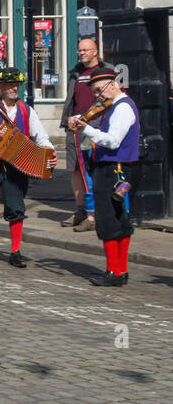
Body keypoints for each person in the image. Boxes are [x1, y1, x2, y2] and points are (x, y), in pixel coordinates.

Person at [0, 67, 56, 267]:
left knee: (16, 207)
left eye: (17, 84)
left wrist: (50, 152)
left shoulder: (27, 110)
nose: (14, 88)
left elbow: (42, 137)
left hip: (16, 167)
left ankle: (15, 252)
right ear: (1, 86)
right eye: (10, 84)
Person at [68, 65, 139, 286]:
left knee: (109, 220)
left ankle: (114, 272)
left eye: (99, 91)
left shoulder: (122, 108)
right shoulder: (116, 106)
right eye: (95, 92)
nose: (97, 96)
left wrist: (85, 128)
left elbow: (112, 140)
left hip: (112, 170)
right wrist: (81, 117)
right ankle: (120, 271)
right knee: (119, 218)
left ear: (112, 84)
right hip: (116, 169)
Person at [60, 38, 102, 232]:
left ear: (95, 52)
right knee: (75, 169)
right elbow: (71, 99)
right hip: (74, 126)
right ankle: (80, 211)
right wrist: (68, 120)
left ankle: (96, 213)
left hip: (96, 126)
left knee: (93, 170)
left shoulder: (105, 71)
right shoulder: (75, 72)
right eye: (80, 50)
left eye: (86, 50)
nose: (82, 53)